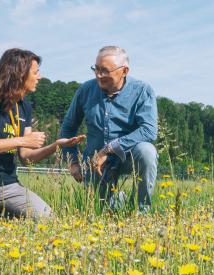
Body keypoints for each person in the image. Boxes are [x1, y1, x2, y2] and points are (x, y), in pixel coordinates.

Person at [0, 48, 84, 228]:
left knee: (50, 223)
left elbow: (26, 156)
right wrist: (21, 140)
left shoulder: (24, 105)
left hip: (9, 185)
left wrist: (56, 146)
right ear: (19, 73)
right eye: (35, 72)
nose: (40, 77)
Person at [60, 46, 158, 211]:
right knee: (101, 210)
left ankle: (141, 212)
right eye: (96, 69)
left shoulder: (142, 90)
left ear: (124, 71)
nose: (99, 75)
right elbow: (68, 128)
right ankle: (118, 201)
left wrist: (109, 149)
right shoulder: (85, 90)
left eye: (105, 71)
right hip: (95, 161)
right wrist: (73, 162)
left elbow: (148, 130)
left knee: (147, 151)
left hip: (128, 155)